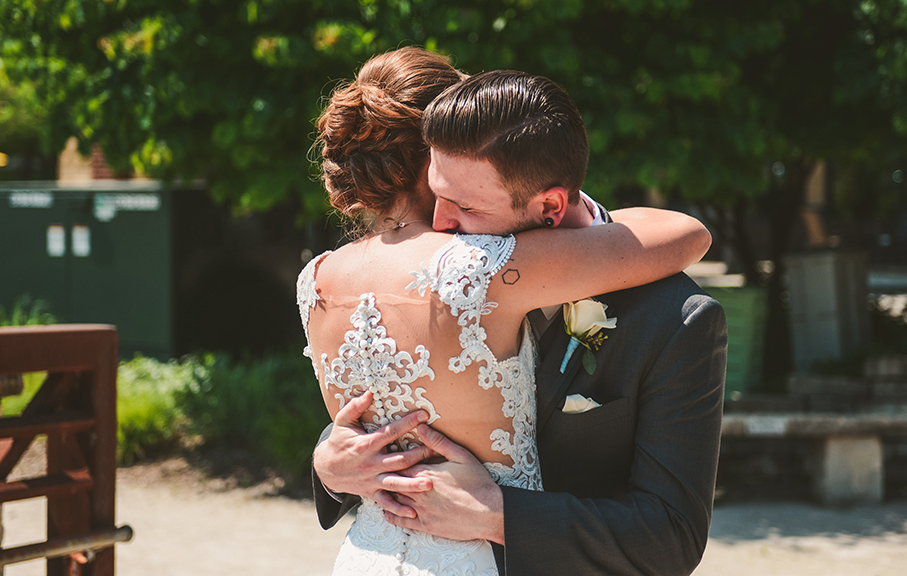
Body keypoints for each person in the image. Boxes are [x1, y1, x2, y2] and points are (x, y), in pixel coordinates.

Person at [300, 48, 713, 575]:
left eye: (467, 206)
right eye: (439, 194)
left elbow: (670, 538)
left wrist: (500, 516)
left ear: (550, 206)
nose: (444, 229)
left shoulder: (673, 315)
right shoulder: (455, 274)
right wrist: (329, 466)